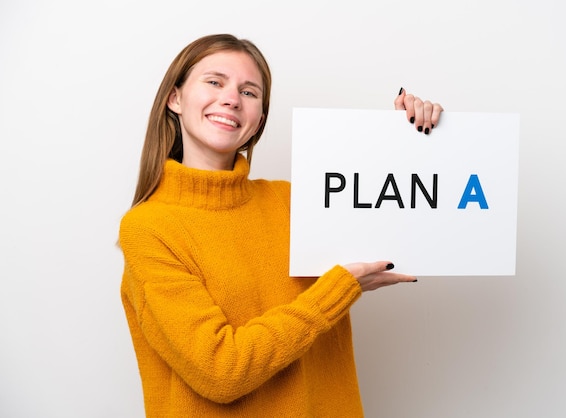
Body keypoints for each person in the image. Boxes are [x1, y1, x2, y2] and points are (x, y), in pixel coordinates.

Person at [119, 33, 443, 417]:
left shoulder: (294, 201)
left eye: (249, 92)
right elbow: (222, 371)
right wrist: (335, 292)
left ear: (258, 120)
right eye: (214, 82)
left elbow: (402, 212)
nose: (231, 98)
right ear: (175, 98)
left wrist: (408, 139)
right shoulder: (148, 229)